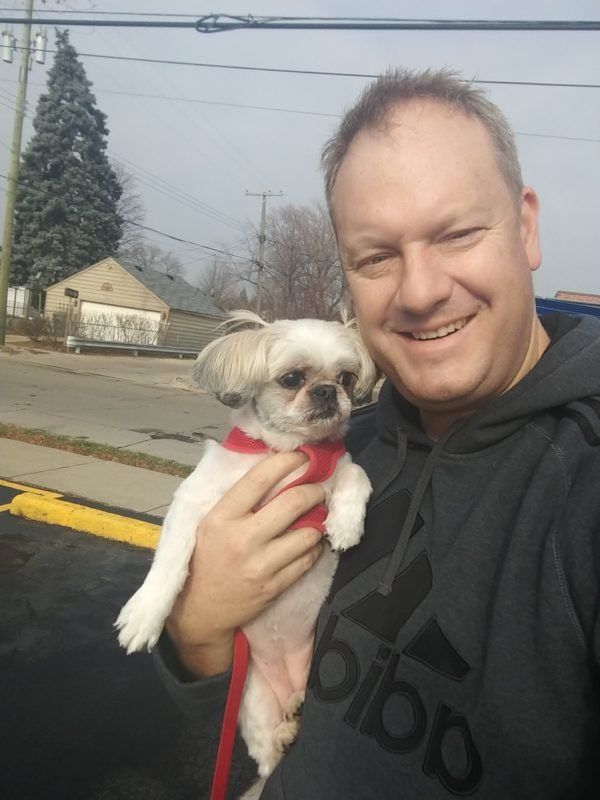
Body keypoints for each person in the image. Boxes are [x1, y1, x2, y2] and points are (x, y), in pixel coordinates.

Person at [154, 68, 600, 799]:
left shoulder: (582, 475)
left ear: (525, 227)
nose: (420, 292)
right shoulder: (337, 449)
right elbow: (213, 755)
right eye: (376, 257)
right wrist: (197, 633)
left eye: (456, 233)